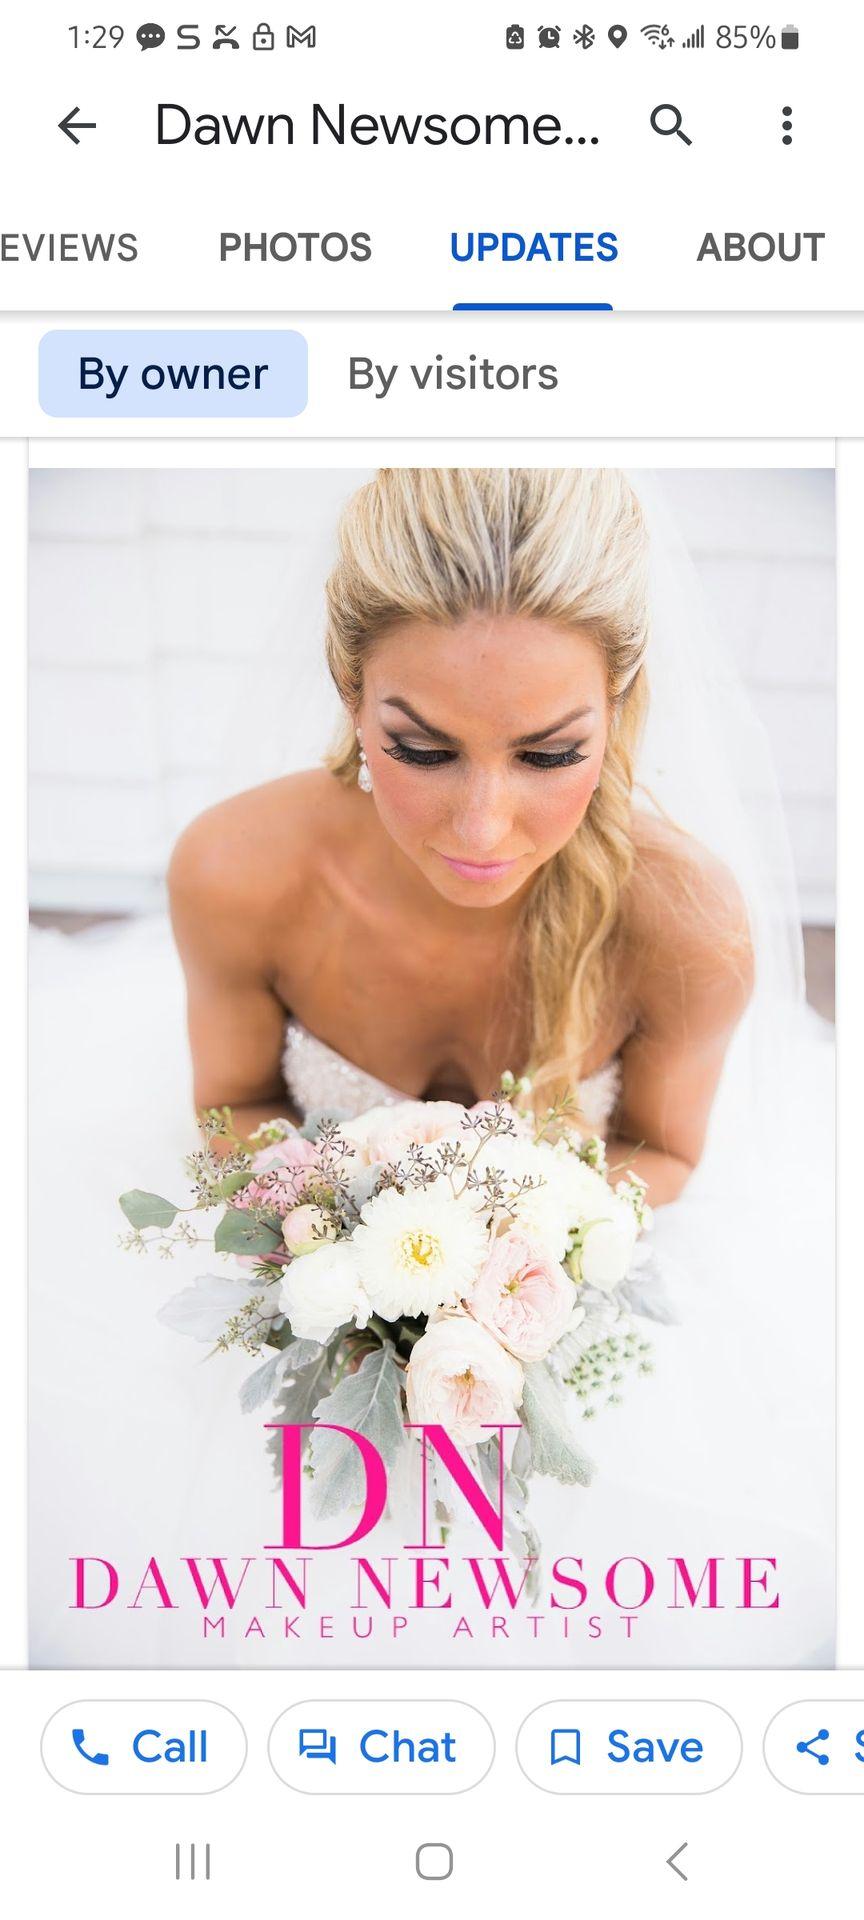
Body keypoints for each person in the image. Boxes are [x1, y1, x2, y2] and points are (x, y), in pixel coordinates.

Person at [169, 468, 753, 1205]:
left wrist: (511, 1255)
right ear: (350, 693)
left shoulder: (690, 924)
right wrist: (338, 1251)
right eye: (421, 751)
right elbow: (237, 1109)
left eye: (547, 756)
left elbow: (663, 1150)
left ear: (615, 705)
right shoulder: (233, 870)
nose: (482, 828)